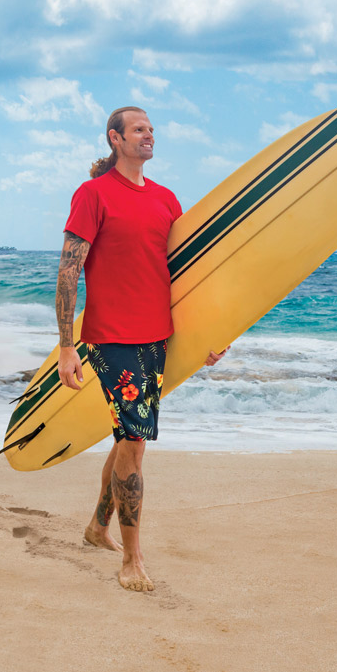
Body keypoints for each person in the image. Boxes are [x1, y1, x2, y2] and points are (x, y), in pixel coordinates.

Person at [54, 105, 227, 593]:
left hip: (157, 337)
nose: (148, 135)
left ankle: (97, 527)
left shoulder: (167, 200)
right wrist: (67, 347)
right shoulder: (92, 195)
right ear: (115, 138)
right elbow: (68, 271)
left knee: (131, 438)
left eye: (151, 129)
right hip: (111, 337)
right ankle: (132, 559)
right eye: (138, 129)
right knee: (133, 441)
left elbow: (185, 277)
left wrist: (207, 336)